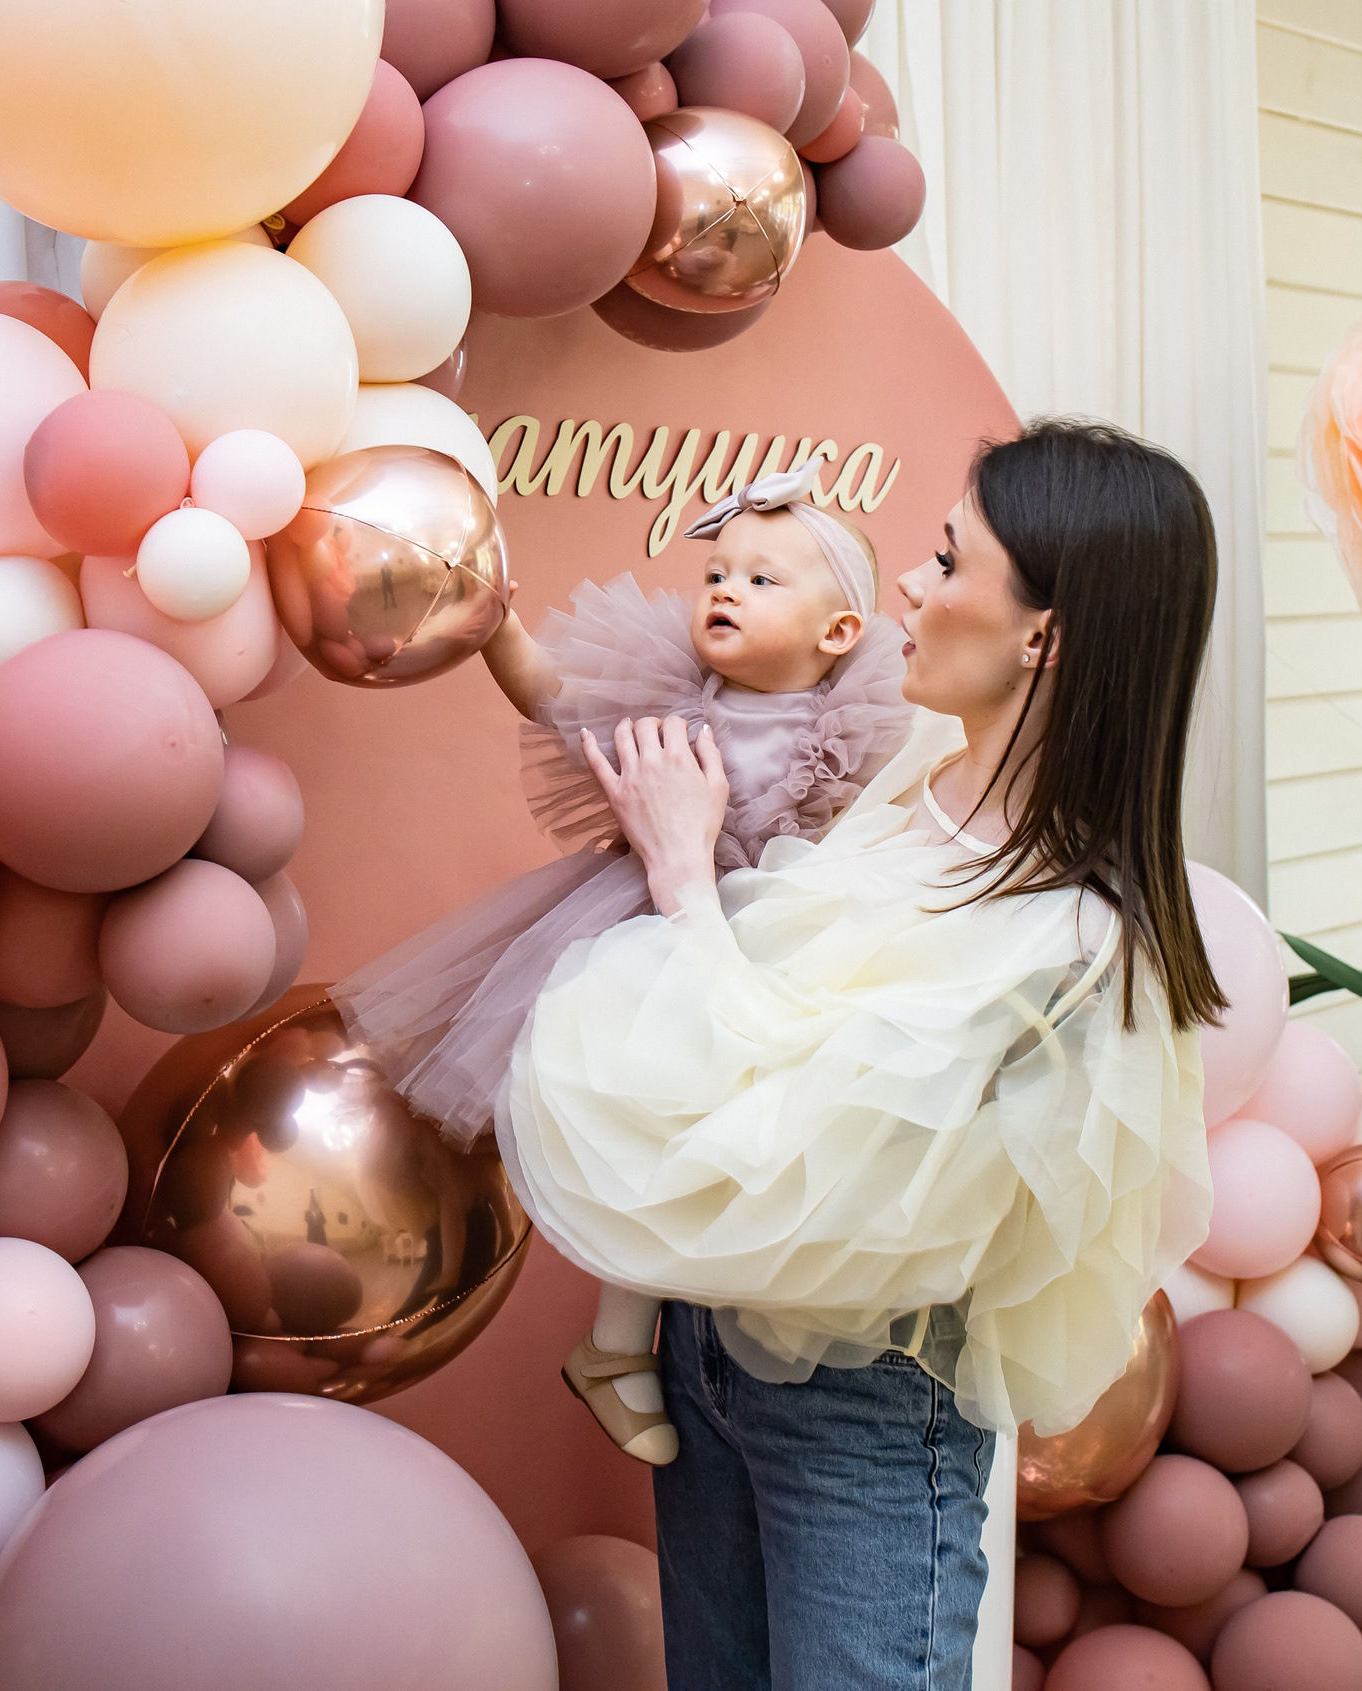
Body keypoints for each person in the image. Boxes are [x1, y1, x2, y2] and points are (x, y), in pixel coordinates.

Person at [498, 419, 1226, 1689]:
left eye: (948, 564)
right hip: (706, 1352)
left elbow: (812, 1139)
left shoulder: (1071, 933)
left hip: (865, 1410)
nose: (909, 588)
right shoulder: (913, 784)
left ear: (1040, 636)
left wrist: (681, 873)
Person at [335, 457, 913, 1463]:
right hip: (647, 936)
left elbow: (874, 853)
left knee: (720, 1143)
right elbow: (553, 701)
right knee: (650, 1132)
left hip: (766, 952)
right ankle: (613, 1347)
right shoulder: (668, 693)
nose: (726, 589)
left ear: (839, 635)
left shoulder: (862, 734)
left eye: (763, 580)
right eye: (717, 573)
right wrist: (496, 629)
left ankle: (678, 1332)